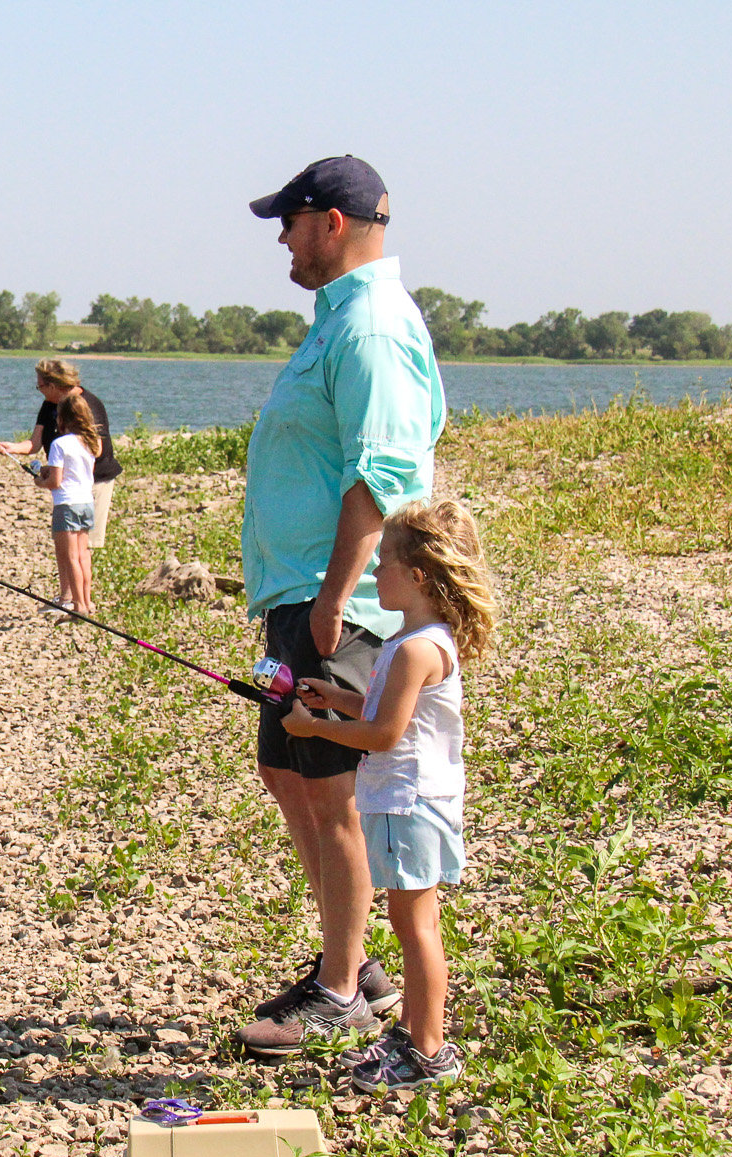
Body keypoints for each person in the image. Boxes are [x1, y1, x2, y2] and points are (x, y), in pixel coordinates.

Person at [233, 155, 446, 1059]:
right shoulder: (337, 322)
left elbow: (385, 472)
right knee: (286, 775)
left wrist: (330, 600)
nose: (280, 237)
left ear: (332, 221)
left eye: (288, 220)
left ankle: (338, 990)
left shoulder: (371, 326)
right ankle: (349, 960)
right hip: (298, 600)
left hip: (339, 603)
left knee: (334, 796)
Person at [280, 499, 495, 1090]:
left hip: (409, 804)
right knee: (415, 921)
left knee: (415, 926)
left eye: (384, 564)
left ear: (418, 577)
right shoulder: (424, 639)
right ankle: (417, 1037)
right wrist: (336, 698)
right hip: (416, 800)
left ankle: (426, 1052)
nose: (375, 573)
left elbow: (383, 733)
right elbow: (381, 712)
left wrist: (315, 728)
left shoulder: (415, 649)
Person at [0, 358, 119, 555]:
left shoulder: (88, 404)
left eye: (40, 385)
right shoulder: (48, 405)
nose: (39, 389)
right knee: (68, 546)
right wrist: (12, 448)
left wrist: (56, 470)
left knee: (84, 548)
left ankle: (80, 586)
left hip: (95, 481)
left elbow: (97, 449)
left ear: (53, 385)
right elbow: (35, 443)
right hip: (66, 485)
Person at [26, 394, 100, 617]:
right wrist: (51, 471)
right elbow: (76, 471)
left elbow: (55, 482)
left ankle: (78, 607)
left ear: (62, 419)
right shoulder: (92, 442)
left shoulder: (59, 444)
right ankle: (87, 602)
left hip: (66, 505)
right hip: (86, 502)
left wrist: (40, 481)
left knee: (70, 558)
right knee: (83, 555)